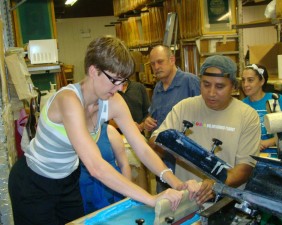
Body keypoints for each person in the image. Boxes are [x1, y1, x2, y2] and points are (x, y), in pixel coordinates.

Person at [8, 36, 200, 225]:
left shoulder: (113, 100)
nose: (119, 88)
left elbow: (141, 147)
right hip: (33, 183)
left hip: (67, 181)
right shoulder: (69, 100)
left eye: (123, 81)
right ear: (94, 71)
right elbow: (96, 166)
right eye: (115, 80)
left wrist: (176, 183)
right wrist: (151, 199)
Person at [149, 55, 261, 204]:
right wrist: (173, 147)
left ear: (234, 86)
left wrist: (217, 184)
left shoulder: (247, 116)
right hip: (187, 201)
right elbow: (154, 142)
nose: (211, 92)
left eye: (220, 86)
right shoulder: (184, 107)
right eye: (206, 84)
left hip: (228, 203)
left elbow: (245, 168)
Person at [143, 45, 200, 192]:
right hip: (162, 159)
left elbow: (205, 118)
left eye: (160, 62)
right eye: (153, 64)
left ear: (172, 60)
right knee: (166, 202)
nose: (156, 67)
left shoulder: (190, 82)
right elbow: (154, 115)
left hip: (185, 161)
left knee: (189, 201)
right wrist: (148, 121)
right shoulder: (158, 88)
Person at [241, 64, 282, 151]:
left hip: (276, 156)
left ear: (262, 81)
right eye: (243, 80)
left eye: (250, 80)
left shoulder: (277, 100)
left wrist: (269, 142)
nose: (245, 84)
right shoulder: (241, 105)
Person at [79, 123, 131, 214]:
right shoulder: (72, 130)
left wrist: (128, 194)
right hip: (82, 194)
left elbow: (124, 164)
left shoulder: (109, 131)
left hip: (111, 191)